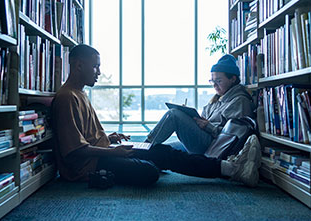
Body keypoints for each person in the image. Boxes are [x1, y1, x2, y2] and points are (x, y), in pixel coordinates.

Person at [51, 44, 261, 188]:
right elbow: (74, 151)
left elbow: (85, 136)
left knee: (165, 152)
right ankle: (229, 168)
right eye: (95, 66)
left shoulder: (79, 94)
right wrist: (115, 153)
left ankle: (230, 169)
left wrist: (110, 138)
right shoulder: (67, 98)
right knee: (151, 170)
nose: (98, 72)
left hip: (103, 154)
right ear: (79, 66)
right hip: (92, 165)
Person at [145, 54, 255, 156]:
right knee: (162, 150)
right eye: (212, 81)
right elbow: (205, 122)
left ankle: (142, 148)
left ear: (233, 79)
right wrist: (190, 118)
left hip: (213, 146)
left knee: (174, 115)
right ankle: (146, 162)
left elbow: (235, 138)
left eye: (219, 81)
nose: (214, 85)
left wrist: (208, 126)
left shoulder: (240, 101)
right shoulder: (217, 99)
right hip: (204, 139)